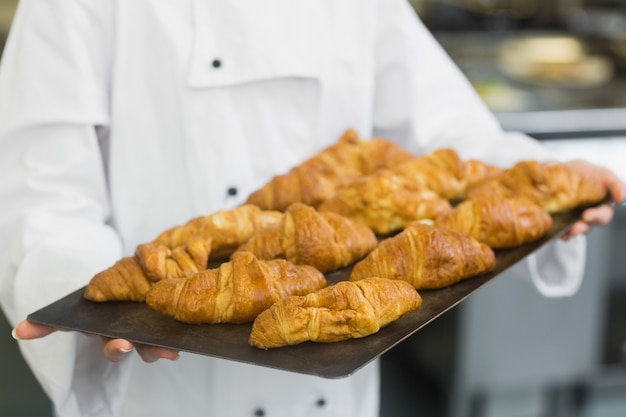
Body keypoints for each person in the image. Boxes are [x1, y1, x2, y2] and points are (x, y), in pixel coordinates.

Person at [1, 1, 624, 416]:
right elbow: (39, 185)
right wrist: (84, 291)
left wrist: (534, 178)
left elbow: (443, 135)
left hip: (333, 370)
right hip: (167, 378)